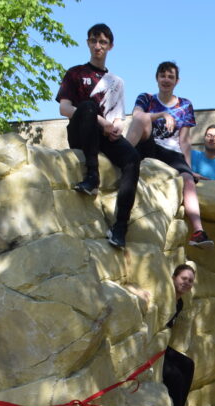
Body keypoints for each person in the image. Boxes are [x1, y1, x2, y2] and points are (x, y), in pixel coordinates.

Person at [55, 23, 141, 250]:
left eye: (103, 42)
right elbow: (64, 109)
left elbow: (118, 116)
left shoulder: (117, 82)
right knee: (88, 106)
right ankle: (92, 176)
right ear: (87, 43)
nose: (97, 46)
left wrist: (116, 128)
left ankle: (120, 226)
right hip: (81, 130)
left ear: (110, 46)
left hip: (105, 135)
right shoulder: (75, 73)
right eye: (93, 41)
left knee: (132, 157)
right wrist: (101, 122)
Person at [125, 61, 213, 249]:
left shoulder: (185, 105)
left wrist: (188, 169)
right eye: (163, 75)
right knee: (142, 118)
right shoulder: (146, 98)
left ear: (177, 81)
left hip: (172, 152)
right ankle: (121, 154)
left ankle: (198, 231)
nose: (166, 80)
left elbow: (185, 140)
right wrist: (162, 114)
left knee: (188, 180)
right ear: (157, 78)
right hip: (148, 146)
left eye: (170, 76)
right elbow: (137, 116)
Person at [163, 264, 200, 406]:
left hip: (162, 347)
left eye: (190, 281)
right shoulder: (165, 296)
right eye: (183, 278)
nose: (187, 283)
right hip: (151, 350)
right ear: (174, 277)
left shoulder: (179, 303)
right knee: (175, 376)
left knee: (187, 364)